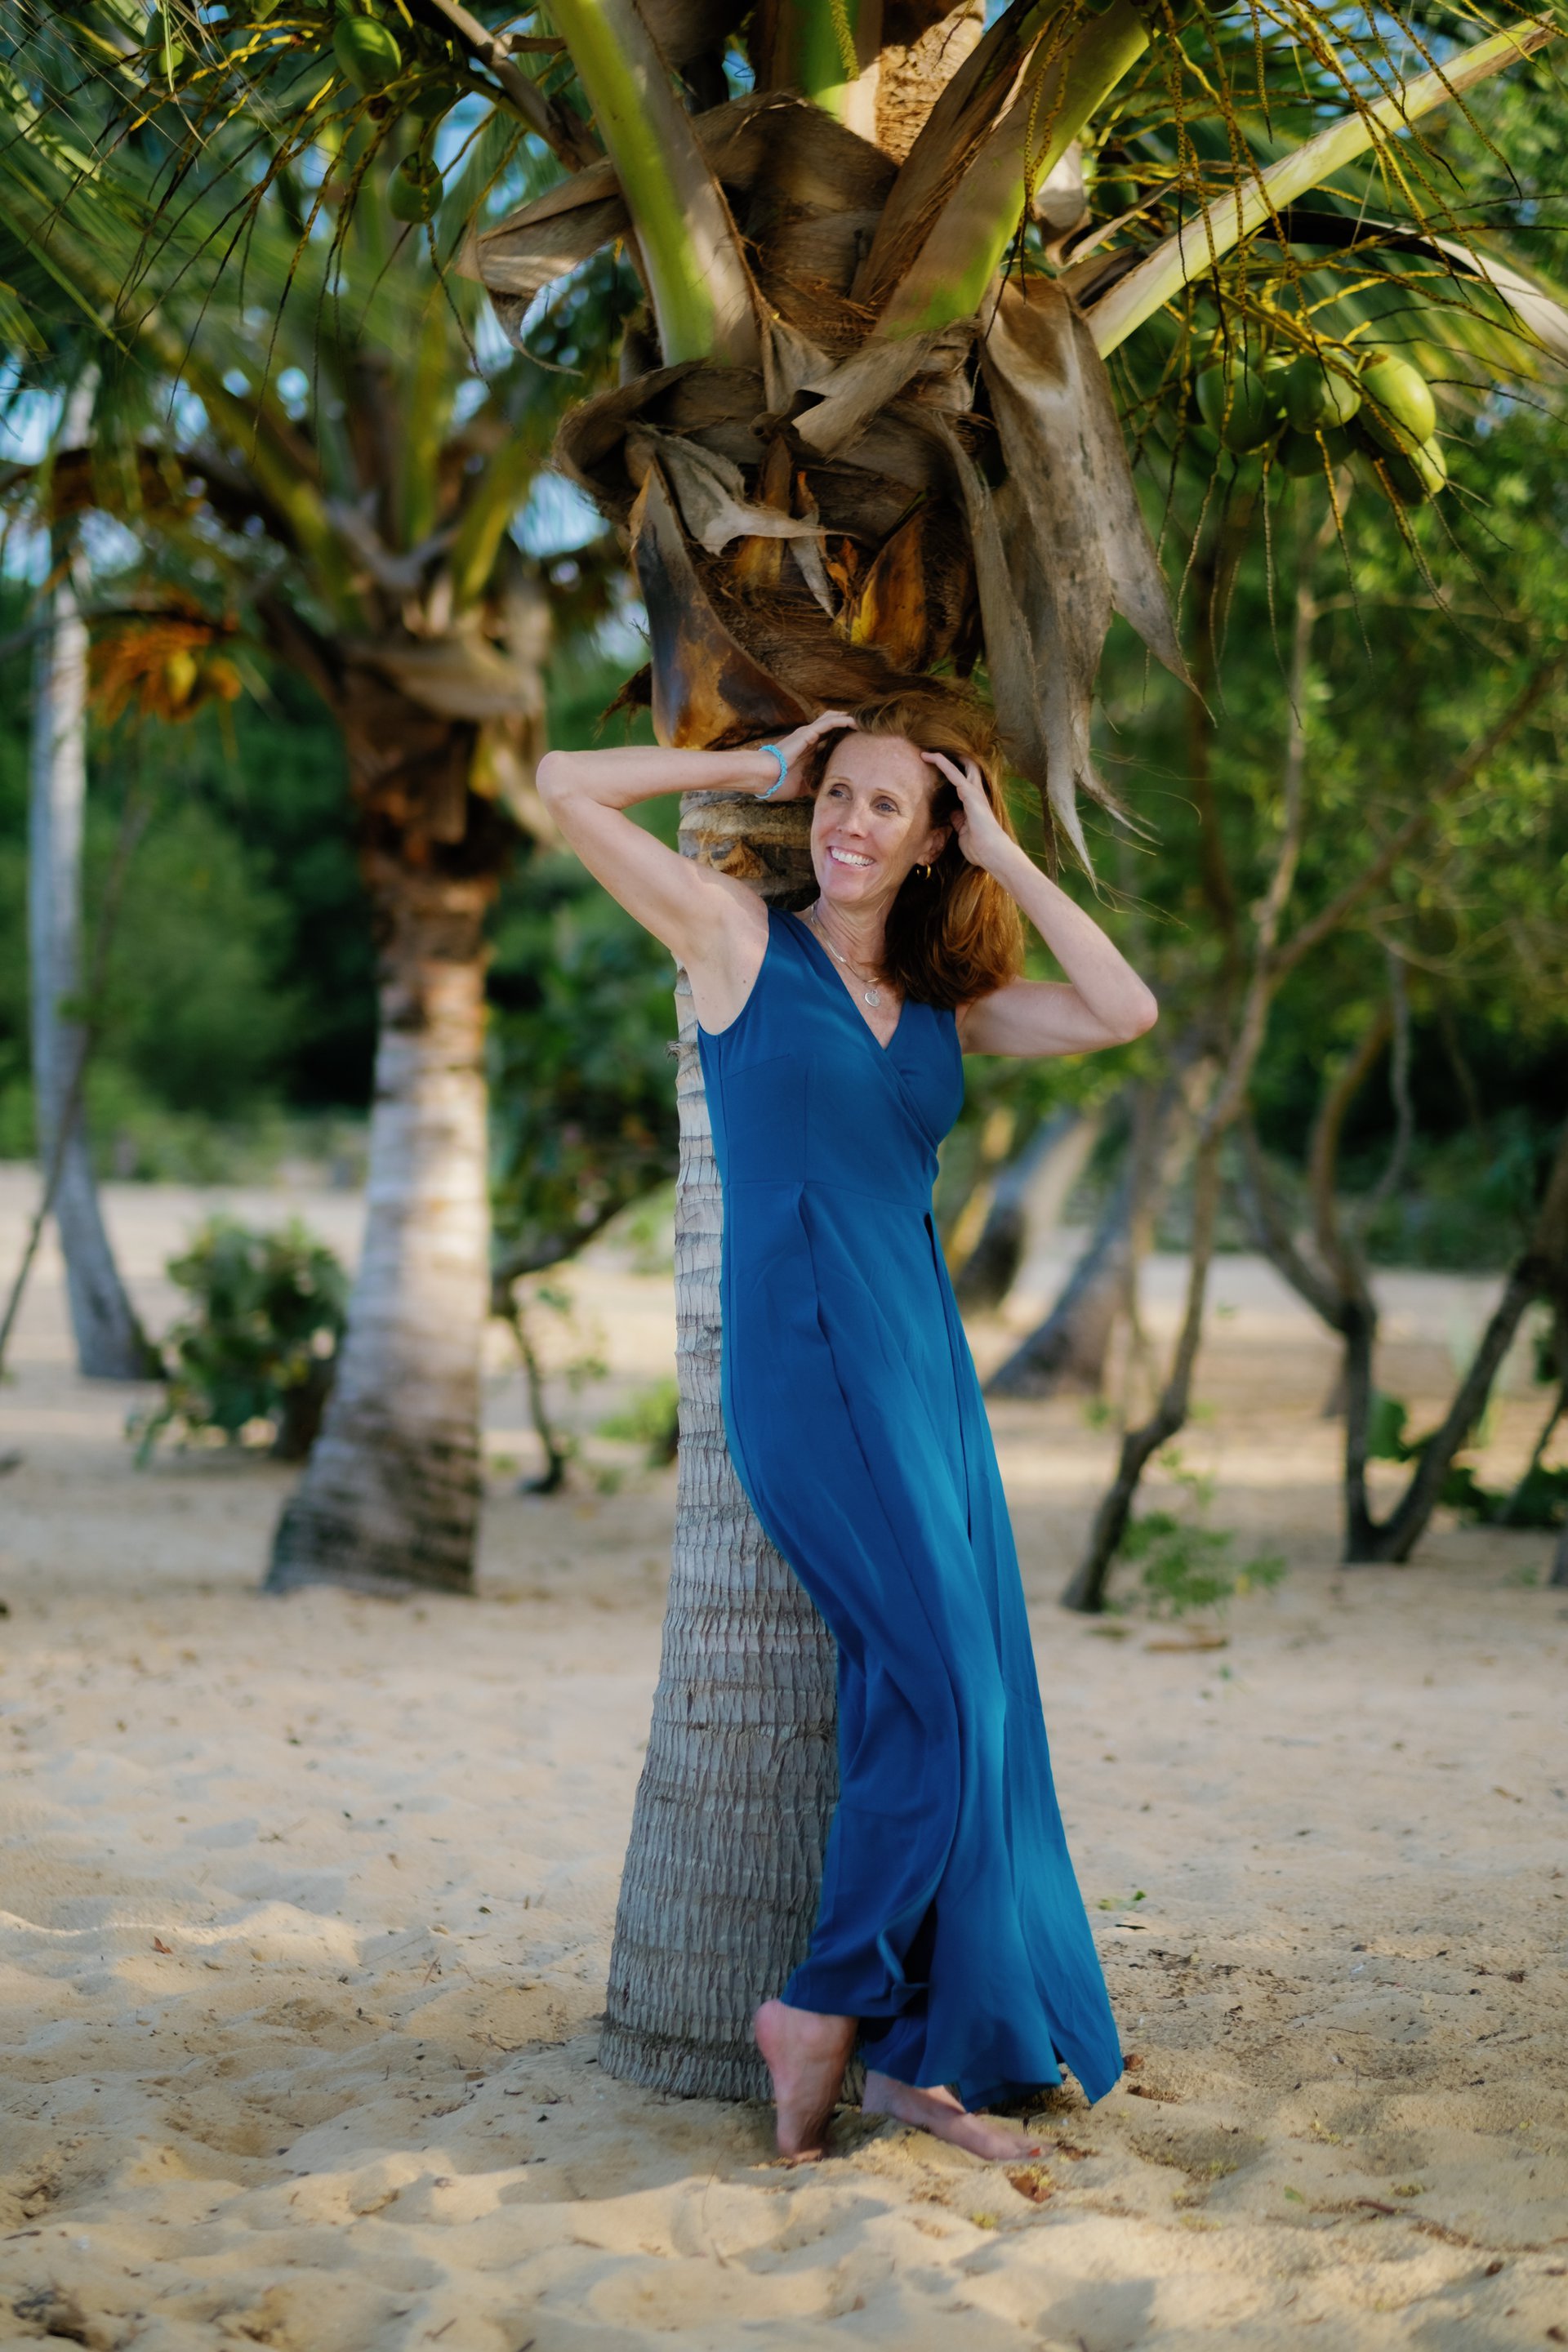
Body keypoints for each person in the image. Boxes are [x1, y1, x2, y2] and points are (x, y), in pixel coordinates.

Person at [537, 688, 1156, 2163]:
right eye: (838, 796)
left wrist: (1003, 851)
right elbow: (564, 783)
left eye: (889, 804)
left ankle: (906, 2061)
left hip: (925, 1372)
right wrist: (756, 760)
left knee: (927, 1688)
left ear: (933, 837)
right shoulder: (734, 941)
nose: (850, 823)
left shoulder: (949, 1007)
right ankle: (820, 2007)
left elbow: (1124, 1010)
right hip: (808, 1358)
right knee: (947, 1690)